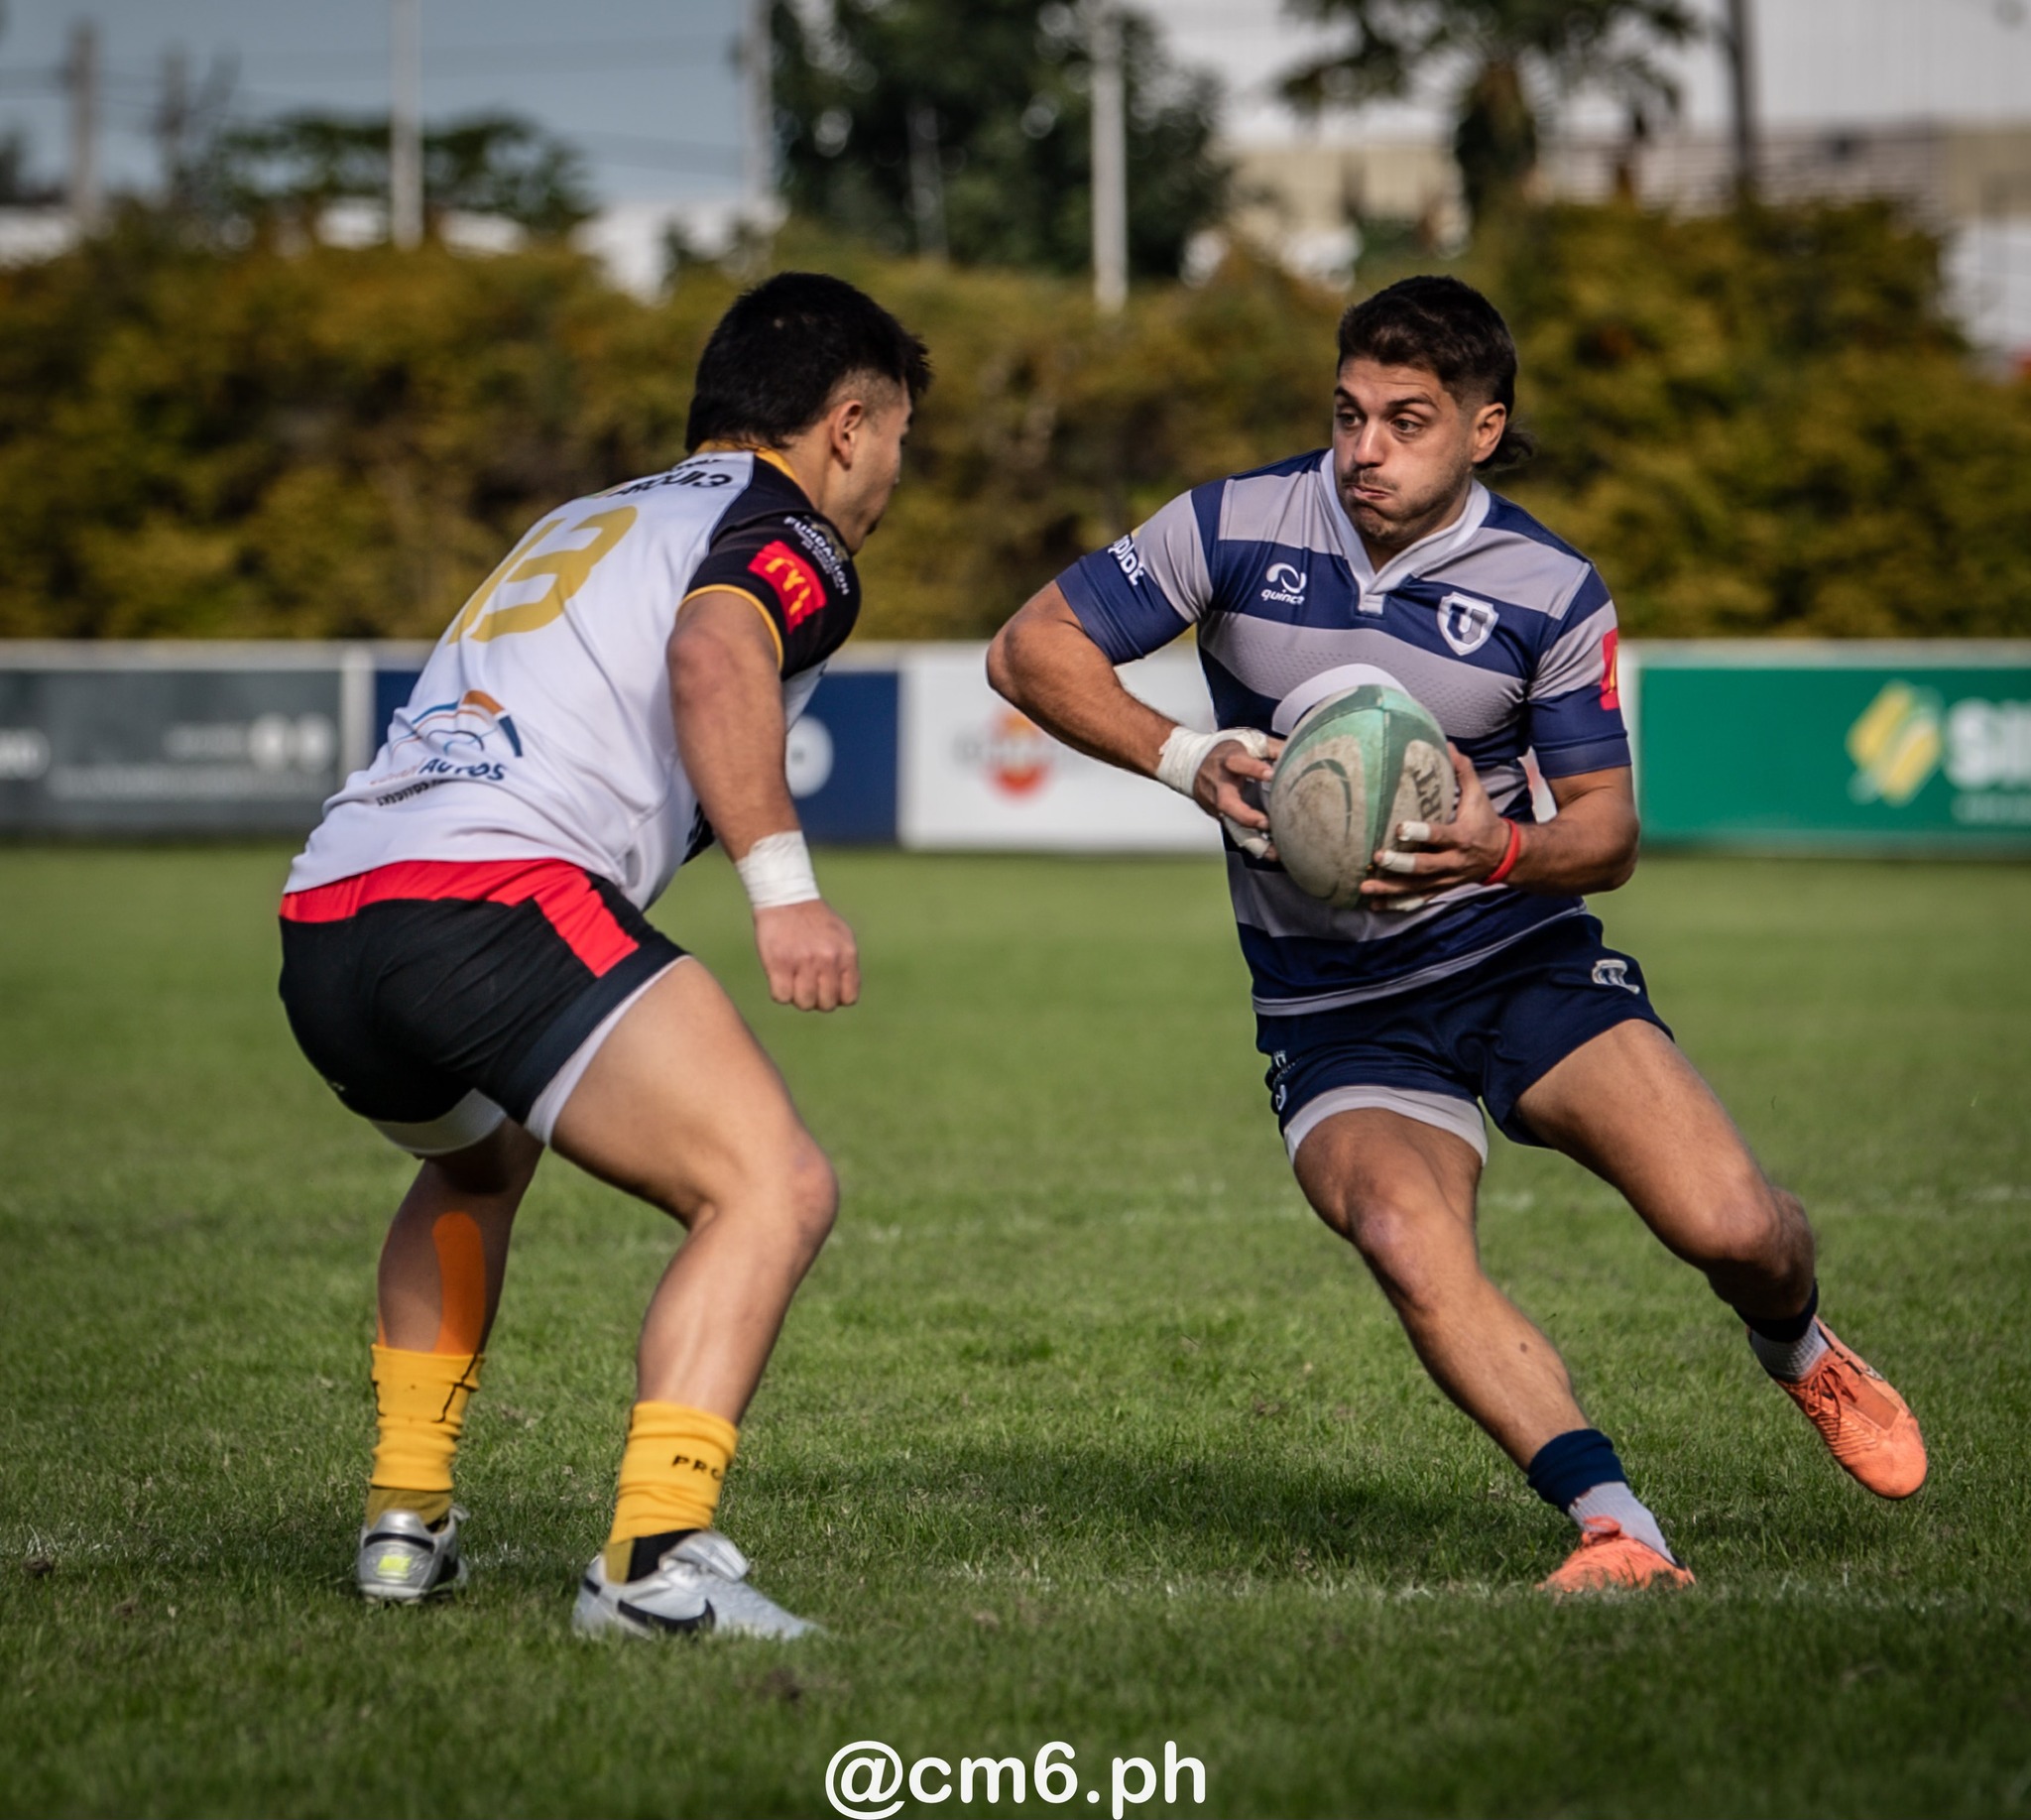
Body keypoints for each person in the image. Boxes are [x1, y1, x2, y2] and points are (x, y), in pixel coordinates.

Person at [986, 275, 1924, 1593]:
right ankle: (1620, 1534)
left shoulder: (1549, 587)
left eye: (1407, 420)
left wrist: (1507, 848)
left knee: (1736, 1231)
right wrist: (1187, 757)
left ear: (1483, 429)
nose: (1364, 449)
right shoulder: (1235, 524)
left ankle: (1801, 1349)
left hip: (1512, 954)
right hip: (1330, 1005)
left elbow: (1608, 831)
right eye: (1348, 413)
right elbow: (1032, 648)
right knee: (1404, 1236)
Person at [278, 272, 929, 1636]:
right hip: (491, 898)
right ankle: (653, 1563)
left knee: (476, 1161)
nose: (892, 476)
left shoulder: (583, 513)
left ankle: (405, 1524)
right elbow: (713, 655)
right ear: (850, 424)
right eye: (900, 440)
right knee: (772, 1188)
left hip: (332, 910)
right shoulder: (789, 528)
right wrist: (785, 888)